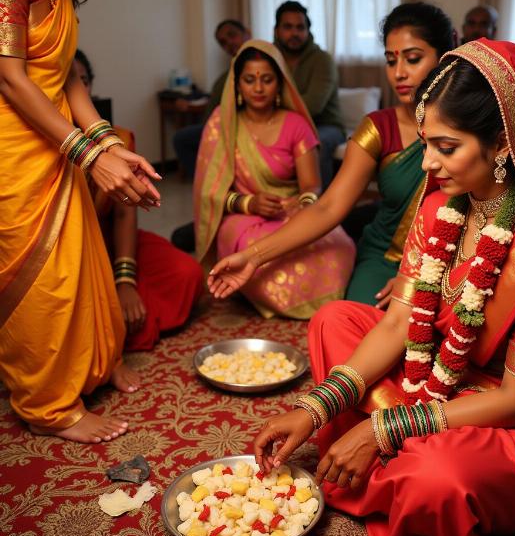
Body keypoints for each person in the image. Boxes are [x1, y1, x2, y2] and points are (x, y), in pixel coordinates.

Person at [252, 39, 515, 536]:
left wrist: (384, 429)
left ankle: (391, 466)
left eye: (447, 147)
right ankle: (382, 460)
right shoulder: (442, 207)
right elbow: (398, 324)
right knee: (334, 321)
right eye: (425, 144)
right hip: (436, 379)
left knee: (435, 477)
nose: (428, 164)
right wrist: (315, 408)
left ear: (503, 143)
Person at [0, 0, 162, 444]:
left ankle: (95, 362)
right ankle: (47, 404)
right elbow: (9, 76)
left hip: (58, 139)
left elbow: (68, 77)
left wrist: (109, 144)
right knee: (43, 282)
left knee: (79, 261)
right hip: (16, 147)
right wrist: (88, 155)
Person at [207, 3, 455, 307]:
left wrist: (417, 277)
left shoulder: (471, 128)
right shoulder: (379, 128)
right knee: (356, 326)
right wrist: (252, 257)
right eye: (391, 61)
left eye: (413, 59)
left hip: (452, 260)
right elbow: (327, 209)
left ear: (445, 56)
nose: (399, 73)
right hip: (387, 258)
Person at [194, 39, 355, 318]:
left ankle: (284, 297)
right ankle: (263, 291)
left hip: (290, 211)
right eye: (249, 80)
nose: (258, 88)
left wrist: (303, 204)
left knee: (339, 244)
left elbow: (311, 185)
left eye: (267, 79)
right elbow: (208, 193)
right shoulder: (222, 123)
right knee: (251, 251)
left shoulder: (296, 124)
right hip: (242, 217)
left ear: (279, 83)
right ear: (237, 84)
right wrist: (249, 204)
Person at [74, 49, 203, 351]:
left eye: (83, 81)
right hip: (69, 253)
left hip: (112, 239)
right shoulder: (35, 144)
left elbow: (123, 214)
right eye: (69, 83)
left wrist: (125, 281)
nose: (77, 90)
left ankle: (121, 323)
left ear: (91, 86)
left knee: (188, 275)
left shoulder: (117, 139)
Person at [274, 1, 345, 188]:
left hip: (325, 126)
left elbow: (312, 106)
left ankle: (322, 209)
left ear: (308, 31)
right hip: (282, 124)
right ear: (276, 31)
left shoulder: (322, 60)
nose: (294, 33)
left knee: (313, 143)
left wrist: (273, 105)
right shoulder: (270, 58)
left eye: (300, 27)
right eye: (288, 27)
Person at [173, 19, 251, 180]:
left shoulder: (257, 63)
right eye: (223, 42)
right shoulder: (229, 71)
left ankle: (209, 183)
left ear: (247, 33)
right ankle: (207, 184)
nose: (229, 42)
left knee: (183, 138)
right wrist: (192, 100)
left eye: (232, 35)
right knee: (184, 138)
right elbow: (216, 96)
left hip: (236, 125)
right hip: (215, 125)